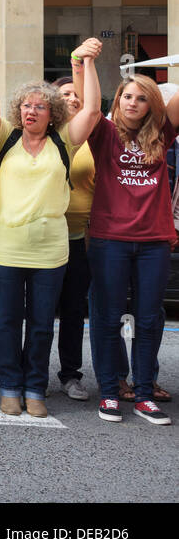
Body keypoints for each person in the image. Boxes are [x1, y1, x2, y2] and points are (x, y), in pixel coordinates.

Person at [69, 42, 175, 425]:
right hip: (109, 239)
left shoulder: (163, 133)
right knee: (107, 316)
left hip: (153, 242)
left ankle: (145, 393)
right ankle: (111, 392)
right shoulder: (104, 132)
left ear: (152, 105)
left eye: (141, 98)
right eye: (127, 96)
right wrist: (84, 60)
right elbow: (89, 103)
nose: (132, 103)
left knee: (148, 318)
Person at [0, 70, 79, 418]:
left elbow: (93, 111)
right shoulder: (4, 136)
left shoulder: (63, 140)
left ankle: (35, 387)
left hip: (50, 250)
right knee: (8, 320)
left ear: (53, 114)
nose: (31, 111)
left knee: (40, 323)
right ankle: (9, 387)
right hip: (5, 246)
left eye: (39, 106)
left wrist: (85, 64)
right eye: (25, 105)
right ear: (18, 110)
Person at [52, 73, 95, 402]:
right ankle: (32, 374)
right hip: (44, 238)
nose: (73, 97)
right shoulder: (44, 134)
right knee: (39, 313)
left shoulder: (94, 135)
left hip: (81, 238)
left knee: (72, 312)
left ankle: (70, 375)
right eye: (66, 93)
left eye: (77, 93)